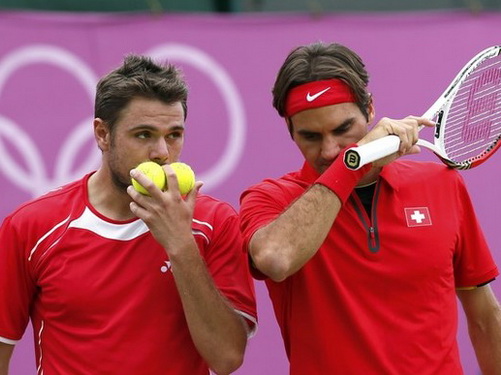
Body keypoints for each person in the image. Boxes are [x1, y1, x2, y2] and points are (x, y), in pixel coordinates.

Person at [239, 41, 501, 374]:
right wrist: (353, 163)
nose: (331, 149)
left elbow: (484, 317)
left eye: (343, 129)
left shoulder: (442, 184)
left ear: (371, 109)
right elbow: (275, 259)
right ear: (290, 132)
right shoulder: (269, 198)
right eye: (311, 136)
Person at [0, 55, 257, 375]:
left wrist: (181, 245)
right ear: (102, 134)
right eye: (144, 134)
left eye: (174, 135)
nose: (162, 152)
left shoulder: (215, 222)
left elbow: (227, 358)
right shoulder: (31, 226)